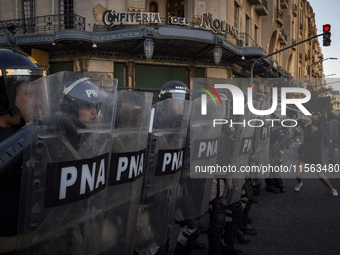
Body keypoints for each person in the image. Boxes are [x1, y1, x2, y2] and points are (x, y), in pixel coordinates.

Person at [0, 48, 44, 255]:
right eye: (29, 94)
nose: (38, 102)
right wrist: (30, 240)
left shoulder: (31, 132)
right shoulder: (24, 136)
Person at [294, 119, 338, 197]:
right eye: (312, 126)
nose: (312, 127)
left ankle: (332, 189)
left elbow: (308, 136)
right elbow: (298, 122)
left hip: (315, 155)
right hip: (305, 154)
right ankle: (299, 183)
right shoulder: (308, 128)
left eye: (314, 127)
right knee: (298, 174)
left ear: (318, 127)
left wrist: (306, 126)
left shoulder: (320, 133)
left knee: (320, 175)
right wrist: (303, 119)